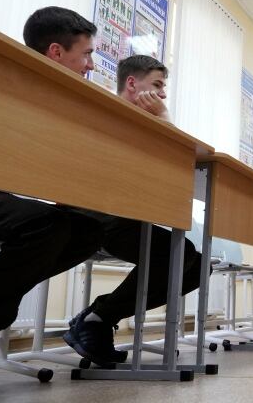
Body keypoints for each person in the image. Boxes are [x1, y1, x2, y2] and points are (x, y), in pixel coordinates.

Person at [0, 8, 104, 392]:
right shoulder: (0, 76)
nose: (91, 66)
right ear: (55, 52)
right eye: (86, 55)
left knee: (83, 231)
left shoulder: (63, 101)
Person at [63, 53, 203, 366]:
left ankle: (98, 317)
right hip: (91, 214)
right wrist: (164, 119)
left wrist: (161, 121)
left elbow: (178, 167)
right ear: (131, 83)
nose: (163, 93)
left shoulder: (143, 125)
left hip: (122, 214)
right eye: (157, 85)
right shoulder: (105, 110)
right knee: (175, 254)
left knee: (197, 264)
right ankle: (97, 319)